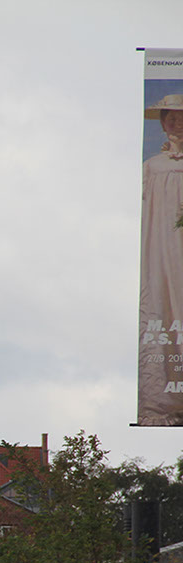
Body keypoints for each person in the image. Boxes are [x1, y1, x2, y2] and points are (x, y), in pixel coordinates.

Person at [139, 93, 183, 424]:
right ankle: (168, 396)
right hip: (161, 247)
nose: (177, 121)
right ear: (163, 121)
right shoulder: (152, 167)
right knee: (165, 309)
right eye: (172, 116)